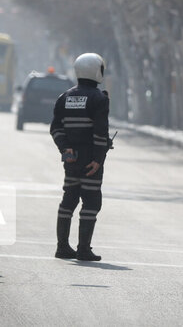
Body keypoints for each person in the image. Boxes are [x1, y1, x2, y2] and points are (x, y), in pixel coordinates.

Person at [50, 53, 110, 261]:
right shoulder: (99, 98)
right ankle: (83, 249)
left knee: (69, 200)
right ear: (97, 71)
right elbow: (100, 133)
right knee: (92, 203)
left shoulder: (64, 97)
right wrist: (98, 160)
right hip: (90, 160)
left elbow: (56, 129)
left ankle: (62, 247)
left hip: (71, 160)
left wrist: (65, 149)